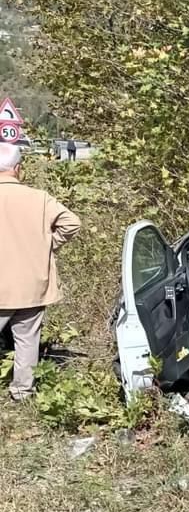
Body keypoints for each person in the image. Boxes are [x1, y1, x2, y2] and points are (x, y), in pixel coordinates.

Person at [0, 142, 81, 401]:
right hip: (33, 283)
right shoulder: (40, 198)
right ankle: (22, 392)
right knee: (27, 339)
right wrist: (48, 244)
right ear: (18, 169)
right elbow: (72, 223)